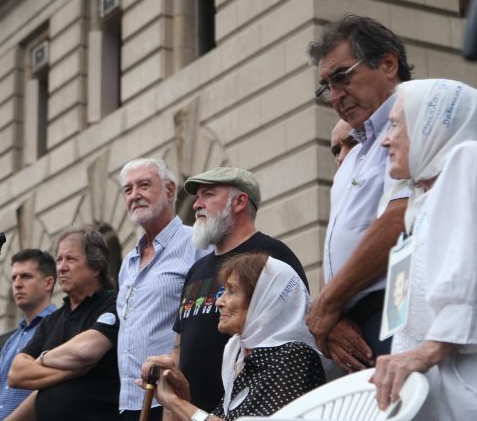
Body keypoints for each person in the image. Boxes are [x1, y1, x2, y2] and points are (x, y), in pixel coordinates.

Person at [371, 79, 477, 420]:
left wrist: (428, 351)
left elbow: (474, 276)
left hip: (474, 398)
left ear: (433, 125)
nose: (385, 139)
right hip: (436, 397)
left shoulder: (471, 158)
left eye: (396, 125)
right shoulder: (423, 204)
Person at [305, 14, 412, 373]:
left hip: (398, 314)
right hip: (351, 329)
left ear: (387, 63)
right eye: (327, 87)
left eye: (342, 77)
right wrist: (332, 317)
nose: (335, 96)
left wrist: (327, 305)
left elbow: (399, 219)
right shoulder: (353, 156)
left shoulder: (415, 120)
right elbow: (333, 247)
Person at [171, 167, 307, 411]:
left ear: (239, 202)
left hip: (253, 410)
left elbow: (294, 332)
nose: (196, 205)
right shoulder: (196, 269)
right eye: (197, 197)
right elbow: (180, 346)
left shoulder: (272, 257)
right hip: (192, 412)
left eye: (208, 195)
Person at [142, 253, 325, 420]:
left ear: (262, 300)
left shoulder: (295, 356)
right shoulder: (240, 358)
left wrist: (177, 403)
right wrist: (182, 396)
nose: (219, 302)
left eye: (231, 291)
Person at [116, 158, 209, 421]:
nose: (135, 195)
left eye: (144, 185)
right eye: (128, 190)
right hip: (130, 402)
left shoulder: (197, 244)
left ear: (170, 191)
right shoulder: (128, 263)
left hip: (175, 400)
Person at [7, 226, 120, 421]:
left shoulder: (113, 305)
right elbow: (16, 374)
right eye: (59, 259)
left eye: (71, 259)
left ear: (96, 267)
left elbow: (85, 351)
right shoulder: (51, 321)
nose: (61, 267)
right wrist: (71, 371)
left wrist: (40, 360)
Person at [0, 249, 57, 421]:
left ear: (48, 283)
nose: (17, 284)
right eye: (14, 277)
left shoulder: (58, 325)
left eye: (26, 276)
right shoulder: (12, 340)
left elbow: (47, 387)